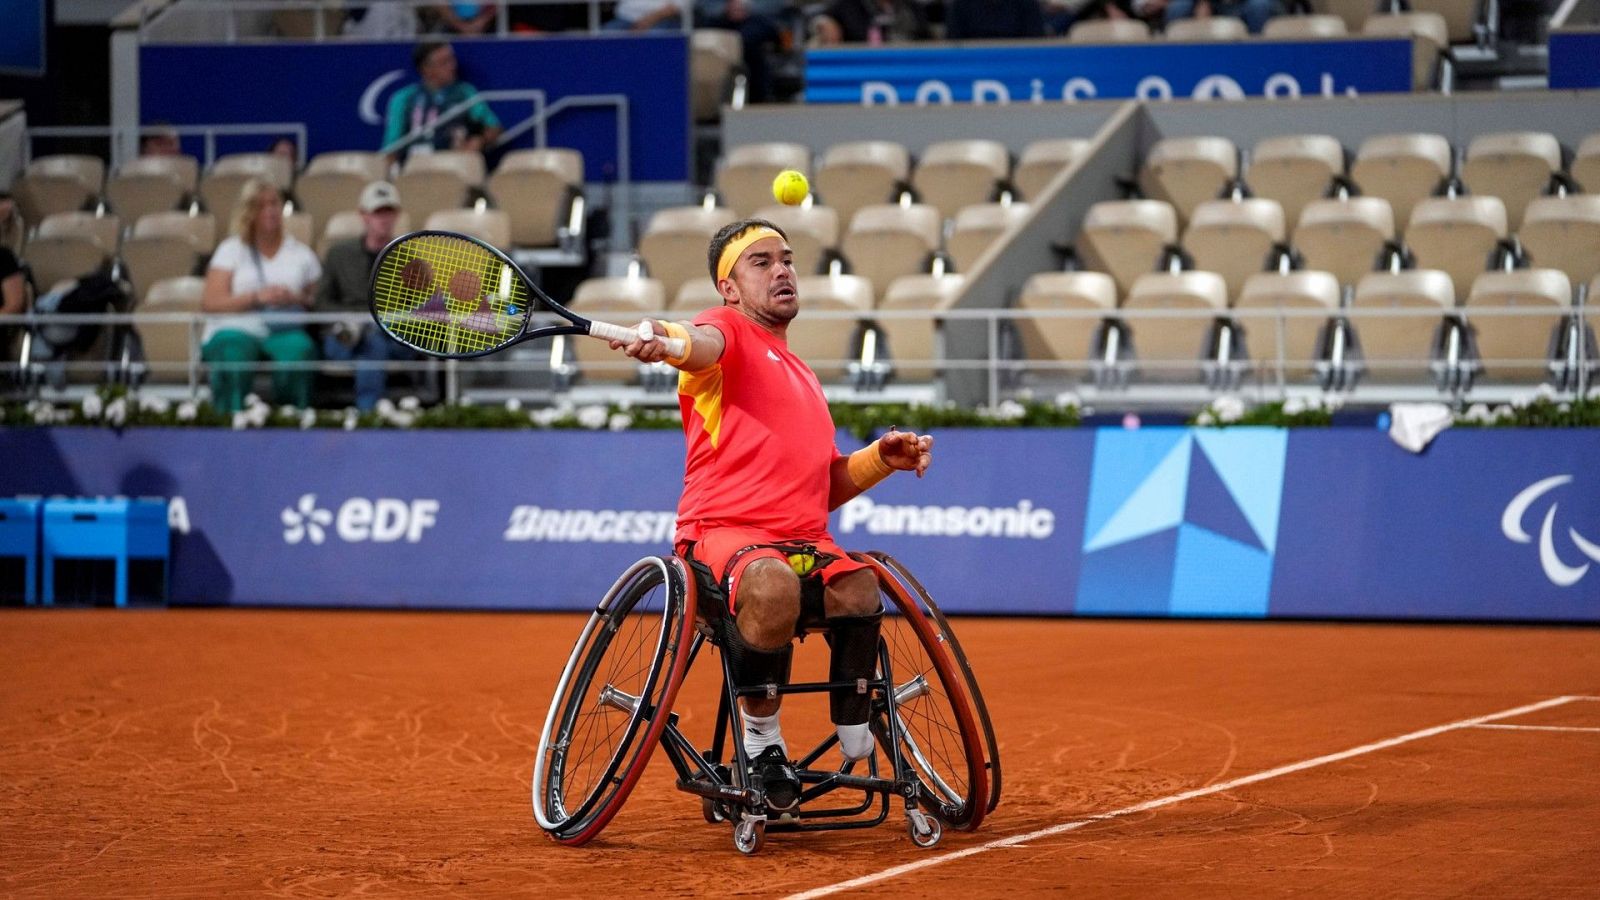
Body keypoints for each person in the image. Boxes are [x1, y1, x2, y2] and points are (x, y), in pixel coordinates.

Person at [612, 218, 935, 811]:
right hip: (721, 538)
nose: (782, 269)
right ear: (728, 287)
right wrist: (663, 336)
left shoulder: (804, 373)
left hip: (801, 539)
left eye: (786, 259)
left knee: (862, 585)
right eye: (760, 262)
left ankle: (854, 722)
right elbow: (695, 342)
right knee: (772, 585)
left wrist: (878, 460)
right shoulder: (724, 331)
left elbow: (818, 490)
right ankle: (761, 744)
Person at [200, 178, 322, 413]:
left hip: (284, 329)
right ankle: (228, 422)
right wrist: (255, 298)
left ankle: (291, 421)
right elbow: (210, 302)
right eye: (261, 205)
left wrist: (294, 299)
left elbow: (316, 301)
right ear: (249, 212)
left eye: (274, 203)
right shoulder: (231, 250)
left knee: (300, 351)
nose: (270, 211)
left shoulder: (301, 254)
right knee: (231, 353)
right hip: (237, 328)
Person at [314, 181, 417, 411]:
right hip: (343, 336)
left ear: (397, 215)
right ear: (363, 215)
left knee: (374, 342)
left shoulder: (410, 260)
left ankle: (367, 414)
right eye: (378, 212)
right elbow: (321, 304)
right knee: (371, 344)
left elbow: (419, 309)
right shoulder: (338, 255)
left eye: (389, 211)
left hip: (391, 337)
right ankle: (371, 415)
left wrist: (385, 321)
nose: (384, 218)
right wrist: (359, 318)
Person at [383, 41, 504, 165]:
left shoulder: (465, 92)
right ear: (426, 69)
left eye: (452, 60)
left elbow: (493, 127)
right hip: (414, 167)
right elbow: (391, 147)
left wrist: (479, 141)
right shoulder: (404, 97)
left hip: (454, 166)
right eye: (444, 62)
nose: (452, 66)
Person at [694, 0, 787, 103]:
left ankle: (760, 97)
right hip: (723, 62)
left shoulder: (758, 23)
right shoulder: (716, 23)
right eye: (734, 6)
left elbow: (776, 38)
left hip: (752, 62)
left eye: (739, 7)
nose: (737, 9)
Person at [811, 0, 930, 44]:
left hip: (908, 68)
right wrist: (823, 22)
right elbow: (819, 18)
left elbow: (929, 39)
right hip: (864, 69)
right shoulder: (850, 6)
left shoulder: (912, 7)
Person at [947, 0, 1046, 38]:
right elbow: (953, 43)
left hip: (1016, 64)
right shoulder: (961, 5)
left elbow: (1036, 41)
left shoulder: (1026, 4)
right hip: (972, 65)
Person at [1164, 0, 1272, 34]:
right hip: (1213, 3)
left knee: (1259, 6)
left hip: (1247, 3)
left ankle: (1257, 51)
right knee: (1178, 8)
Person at [604, 0, 684, 31]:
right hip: (624, 19)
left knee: (653, 39)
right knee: (603, 36)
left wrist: (648, 20)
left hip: (661, 20)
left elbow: (679, 5)